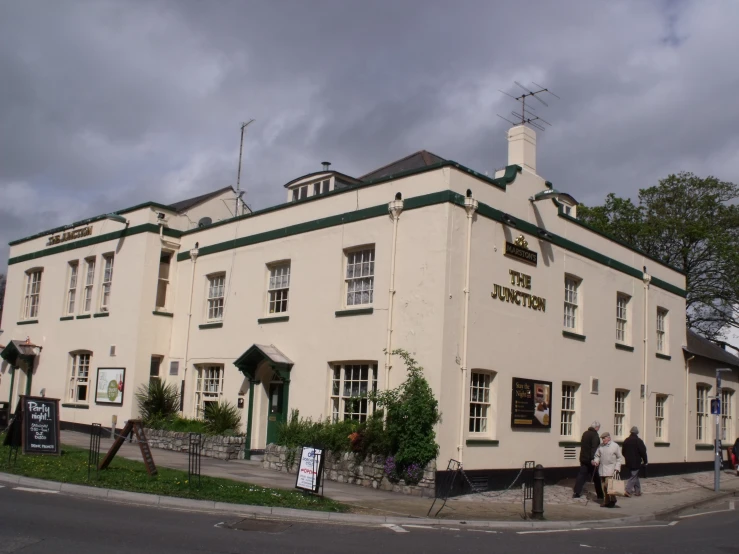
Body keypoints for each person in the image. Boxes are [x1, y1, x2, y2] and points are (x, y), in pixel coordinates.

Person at [573, 420, 604, 500]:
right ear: (596, 427)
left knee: (581, 476)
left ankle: (576, 492)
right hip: (590, 460)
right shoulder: (595, 436)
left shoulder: (585, 433)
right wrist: (593, 459)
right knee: (596, 477)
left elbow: (583, 446)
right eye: (598, 428)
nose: (598, 429)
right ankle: (600, 495)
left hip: (583, 458)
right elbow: (594, 448)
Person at [594, 431, 624, 508]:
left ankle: (613, 499)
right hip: (602, 468)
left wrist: (617, 468)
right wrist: (596, 461)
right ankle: (606, 501)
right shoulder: (600, 446)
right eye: (602, 438)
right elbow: (597, 455)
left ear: (609, 438)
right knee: (603, 486)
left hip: (611, 468)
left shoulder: (614, 446)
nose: (603, 440)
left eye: (604, 438)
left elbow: (619, 458)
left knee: (608, 485)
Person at [622, 426, 648, 496]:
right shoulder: (638, 441)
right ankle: (627, 490)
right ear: (637, 433)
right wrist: (645, 461)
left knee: (635, 475)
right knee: (633, 476)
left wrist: (627, 457)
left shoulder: (626, 440)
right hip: (636, 461)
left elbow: (623, 451)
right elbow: (643, 452)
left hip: (628, 461)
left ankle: (638, 491)